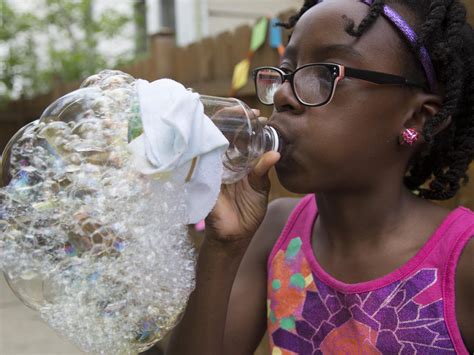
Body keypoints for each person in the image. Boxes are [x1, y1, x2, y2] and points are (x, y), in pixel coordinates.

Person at [165, 0, 474, 353]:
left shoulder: (462, 261)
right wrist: (224, 246)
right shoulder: (277, 233)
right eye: (285, 71)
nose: (282, 94)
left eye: (325, 73)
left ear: (416, 117)